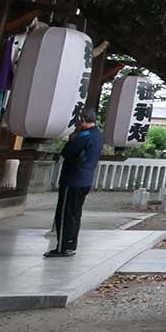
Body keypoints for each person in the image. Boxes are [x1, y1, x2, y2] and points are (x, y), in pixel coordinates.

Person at [45, 109, 103, 258]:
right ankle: (70, 244)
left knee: (65, 214)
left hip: (73, 179)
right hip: (85, 179)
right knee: (75, 214)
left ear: (83, 120)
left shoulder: (84, 136)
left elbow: (67, 152)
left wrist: (71, 140)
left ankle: (63, 247)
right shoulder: (97, 135)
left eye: (78, 121)